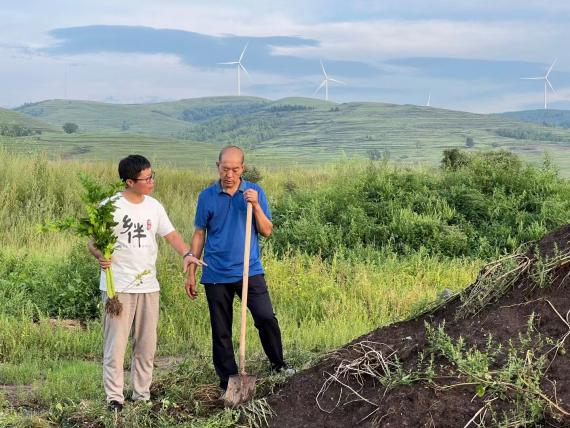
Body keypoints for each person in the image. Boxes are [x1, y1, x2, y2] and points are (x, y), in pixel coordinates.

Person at [88, 154, 204, 412]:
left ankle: (141, 395)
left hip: (149, 286)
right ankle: (114, 399)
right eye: (146, 178)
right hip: (118, 288)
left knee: (146, 345)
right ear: (129, 181)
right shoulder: (110, 207)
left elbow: (171, 235)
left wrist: (188, 254)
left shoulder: (154, 206)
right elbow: (93, 242)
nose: (152, 181)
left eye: (153, 176)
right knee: (115, 345)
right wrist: (100, 257)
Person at [185, 145, 293, 395]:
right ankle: (227, 380)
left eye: (235, 169)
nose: (229, 174)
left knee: (266, 317)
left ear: (242, 168)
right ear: (217, 167)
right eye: (225, 169)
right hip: (215, 273)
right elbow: (199, 234)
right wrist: (191, 269)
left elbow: (267, 231)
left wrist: (255, 206)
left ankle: (278, 364)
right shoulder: (207, 196)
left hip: (249, 269)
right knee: (221, 329)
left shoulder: (255, 192)